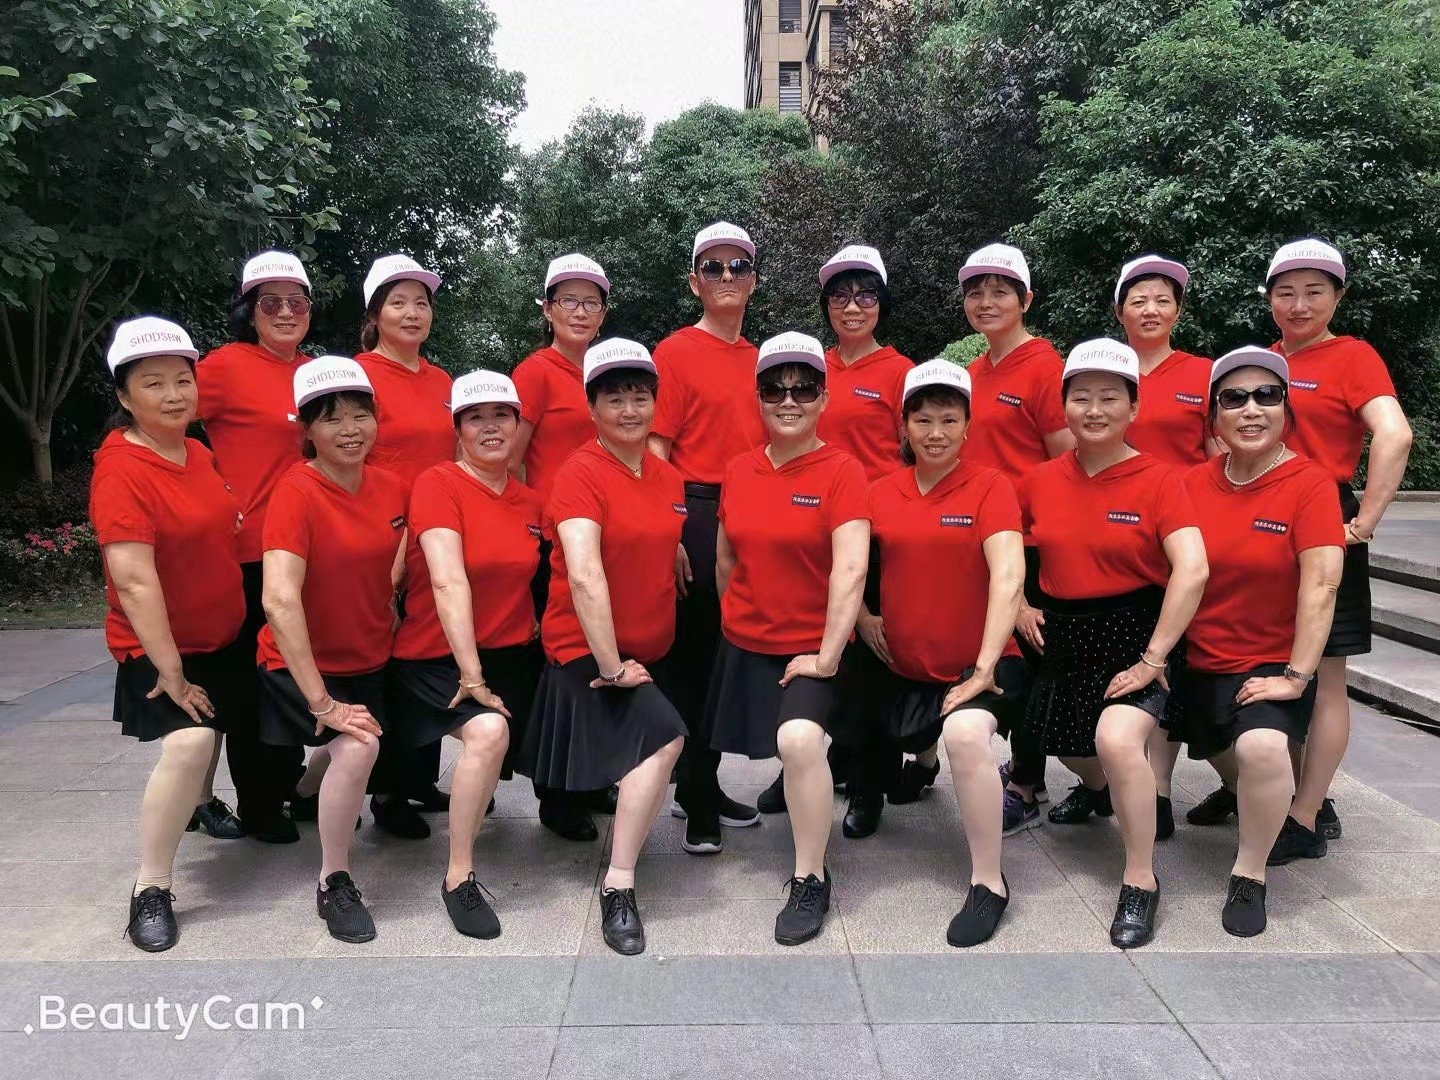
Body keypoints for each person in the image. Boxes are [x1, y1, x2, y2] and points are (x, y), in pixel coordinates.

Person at [1220, 239, 1410, 862]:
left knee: (1325, 674)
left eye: (1314, 292)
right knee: (1271, 661)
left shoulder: (1352, 356)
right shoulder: (1265, 362)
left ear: (1338, 296)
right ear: (1269, 297)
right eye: (1285, 292)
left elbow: (1394, 433)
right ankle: (1281, 787)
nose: (1298, 305)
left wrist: (1364, 521)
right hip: (1260, 521)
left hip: (1324, 519)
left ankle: (1305, 815)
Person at [1016, 339, 1208, 948]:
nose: (1094, 410)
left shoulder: (1161, 480)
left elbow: (1193, 569)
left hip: (1137, 633)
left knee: (1117, 740)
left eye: (1109, 398)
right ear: (1064, 406)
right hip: (1064, 634)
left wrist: (1155, 658)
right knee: (1065, 746)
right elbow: (1007, 551)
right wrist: (1019, 603)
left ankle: (1140, 879)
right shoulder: (1039, 480)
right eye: (1081, 397)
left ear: (1134, 407)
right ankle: (1098, 791)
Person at [520, 339, 687, 956]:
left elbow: (652, 527)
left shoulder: (667, 475)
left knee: (647, 746)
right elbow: (585, 574)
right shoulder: (579, 474)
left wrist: (673, 545)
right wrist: (613, 667)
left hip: (648, 647)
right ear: (591, 408)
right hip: (592, 653)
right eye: (614, 399)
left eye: (640, 397)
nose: (629, 410)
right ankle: (618, 884)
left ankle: (586, 810)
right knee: (665, 739)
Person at [703, 332, 870, 947]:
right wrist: (735, 620)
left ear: (824, 398)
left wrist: (827, 656)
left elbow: (850, 569)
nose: (789, 400)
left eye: (804, 389)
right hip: (748, 639)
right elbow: (726, 558)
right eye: (775, 389)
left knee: (799, 741)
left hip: (814, 646)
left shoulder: (844, 470)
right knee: (775, 747)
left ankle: (810, 876)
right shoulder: (738, 468)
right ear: (759, 398)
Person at [93, 317, 247, 952]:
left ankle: (202, 803)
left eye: (183, 379)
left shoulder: (196, 451)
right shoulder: (121, 470)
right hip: (160, 648)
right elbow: (133, 581)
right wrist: (171, 671)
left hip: (218, 633)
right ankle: (150, 886)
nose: (174, 394)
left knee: (212, 727)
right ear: (125, 395)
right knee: (191, 739)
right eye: (153, 383)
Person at [860, 360, 1027, 946]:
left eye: (949, 419)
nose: (935, 432)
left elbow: (1008, 574)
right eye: (923, 419)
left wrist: (983, 668)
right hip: (904, 665)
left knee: (965, 733)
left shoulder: (991, 486)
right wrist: (861, 617)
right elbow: (847, 566)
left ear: (967, 425)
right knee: (873, 726)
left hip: (982, 666)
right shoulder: (880, 491)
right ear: (903, 426)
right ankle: (919, 762)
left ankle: (989, 881)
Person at [1179, 347, 1344, 936]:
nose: (1251, 410)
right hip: (1198, 659)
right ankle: (1252, 799)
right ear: (1214, 416)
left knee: (1263, 750)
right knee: (1217, 750)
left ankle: (1249, 874)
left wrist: (1296, 676)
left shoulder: (1310, 484)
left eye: (1266, 396)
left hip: (1271, 660)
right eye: (1234, 398)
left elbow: (1322, 583)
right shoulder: (1191, 484)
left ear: (1286, 409)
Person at [387, 371, 546, 939]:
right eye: (476, 418)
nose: (491, 427)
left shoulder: (531, 500)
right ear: (457, 430)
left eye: (502, 415)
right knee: (487, 733)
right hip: (438, 655)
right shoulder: (438, 484)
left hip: (510, 653)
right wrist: (472, 674)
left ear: (519, 424)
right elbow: (448, 580)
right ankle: (459, 877)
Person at [256, 357, 406, 944]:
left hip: (367, 654)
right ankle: (334, 879)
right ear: (307, 429)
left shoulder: (390, 486)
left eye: (360, 414)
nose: (350, 429)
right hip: (298, 664)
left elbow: (397, 557)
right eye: (331, 418)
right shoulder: (295, 492)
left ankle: (303, 791)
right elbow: (278, 599)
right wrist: (321, 702)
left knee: (355, 739)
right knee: (358, 742)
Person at [647, 222, 764, 854]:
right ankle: (695, 797)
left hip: (751, 513)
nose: (725, 277)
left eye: (737, 266)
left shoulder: (761, 360)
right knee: (694, 658)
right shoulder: (673, 353)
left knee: (729, 653)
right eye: (712, 267)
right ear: (695, 281)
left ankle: (705, 781)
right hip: (693, 509)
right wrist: (667, 532)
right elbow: (657, 449)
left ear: (752, 281)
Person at [195, 250, 315, 844]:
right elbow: (159, 421)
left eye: (297, 301)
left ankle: (291, 787)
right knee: (255, 684)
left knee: (297, 674)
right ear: (249, 311)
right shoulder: (223, 367)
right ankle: (260, 802)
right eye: (271, 302)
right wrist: (207, 492)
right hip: (250, 554)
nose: (286, 312)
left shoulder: (317, 371)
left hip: (311, 550)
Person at [957, 243, 1074, 835]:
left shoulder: (1045, 368)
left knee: (1027, 660)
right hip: (979, 537)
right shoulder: (974, 372)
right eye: (975, 291)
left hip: (1029, 541)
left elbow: (1068, 464)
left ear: (1026, 299)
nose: (986, 301)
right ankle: (1024, 768)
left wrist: (1037, 566)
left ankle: (1026, 783)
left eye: (1000, 291)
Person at [1111, 254, 1220, 841]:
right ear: (1120, 310)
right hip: (1120, 536)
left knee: (1168, 659)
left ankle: (1158, 788)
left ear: (1178, 309)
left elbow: (1220, 452)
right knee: (1133, 657)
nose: (1150, 310)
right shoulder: (1105, 373)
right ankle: (1129, 780)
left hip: (1183, 538)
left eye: (1162, 300)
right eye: (1138, 300)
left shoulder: (1202, 374)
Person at [510, 253, 618, 842]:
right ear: (548, 309)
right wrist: (532, 525)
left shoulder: (606, 370)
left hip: (605, 538)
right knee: (564, 667)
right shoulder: (536, 372)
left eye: (591, 302)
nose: (580, 312)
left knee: (602, 655)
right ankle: (556, 793)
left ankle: (592, 777)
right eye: (568, 301)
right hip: (555, 540)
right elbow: (511, 458)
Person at [348, 254, 456, 840]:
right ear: (375, 313)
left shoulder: (441, 382)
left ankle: (419, 777)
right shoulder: (359, 376)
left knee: (429, 653)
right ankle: (387, 792)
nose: (412, 313)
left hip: (434, 536)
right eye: (398, 302)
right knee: (388, 662)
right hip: (381, 535)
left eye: (421, 302)